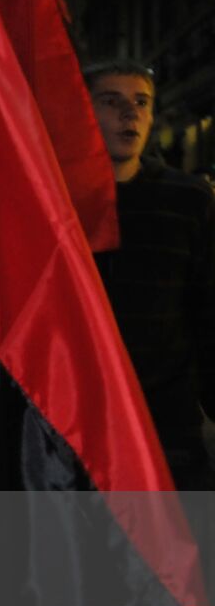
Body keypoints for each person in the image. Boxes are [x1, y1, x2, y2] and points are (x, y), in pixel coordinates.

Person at [86, 60, 215, 489]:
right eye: (112, 101)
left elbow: (206, 309)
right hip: (80, 423)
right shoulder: (59, 200)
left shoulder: (188, 199)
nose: (131, 114)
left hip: (166, 425)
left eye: (141, 102)